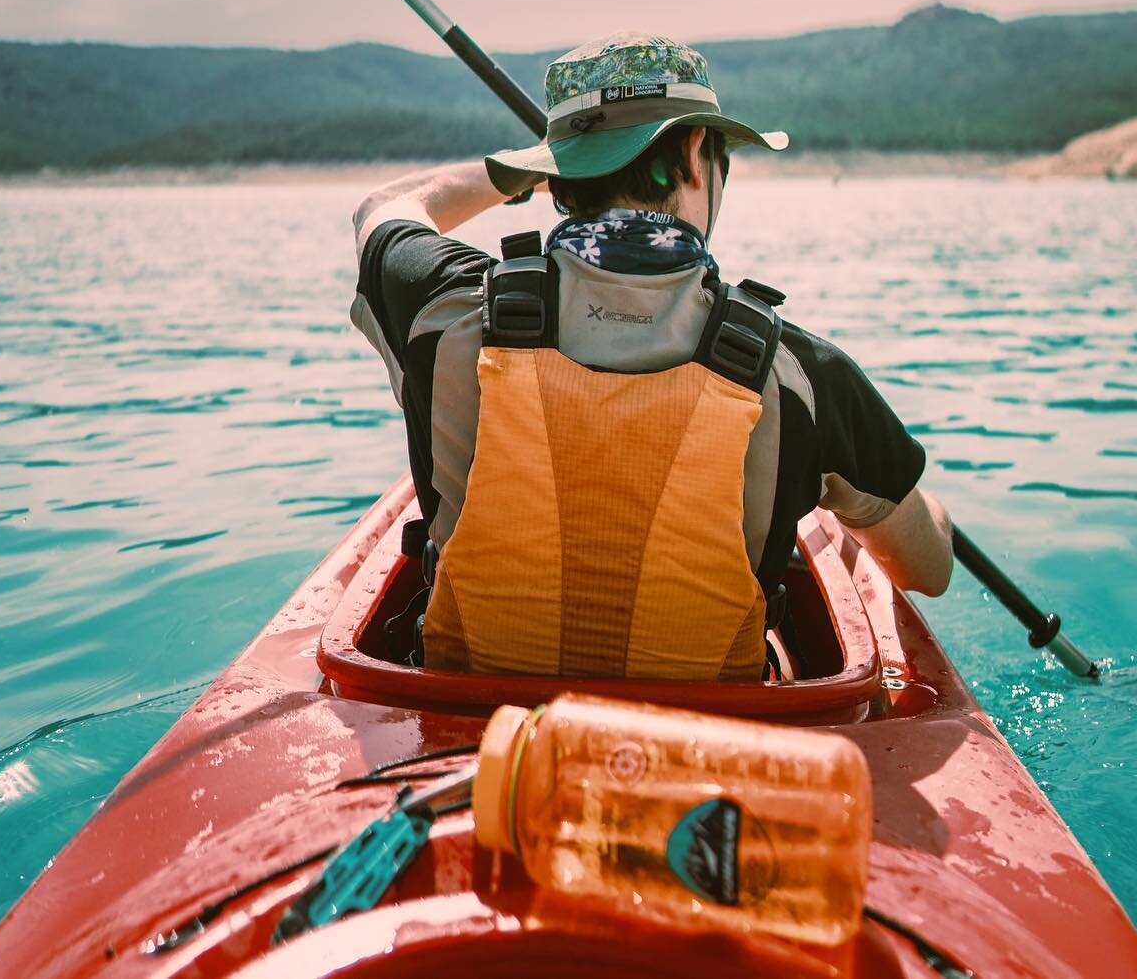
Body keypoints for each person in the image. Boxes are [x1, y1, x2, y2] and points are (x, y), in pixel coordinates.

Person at [351, 34, 952, 680]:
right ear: (698, 155)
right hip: (707, 740)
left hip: (474, 725)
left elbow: (383, 208)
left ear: (558, 176)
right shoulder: (801, 372)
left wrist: (520, 169)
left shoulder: (445, 310)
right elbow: (927, 569)